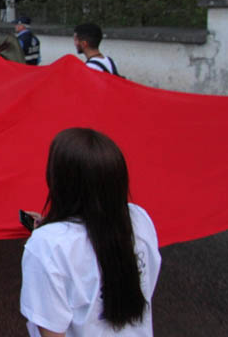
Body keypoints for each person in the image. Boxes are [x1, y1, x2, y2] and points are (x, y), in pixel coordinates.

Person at [20, 128, 160, 337]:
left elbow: (51, 330)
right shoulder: (140, 219)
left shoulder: (47, 247)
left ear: (60, 182)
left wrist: (47, 236)